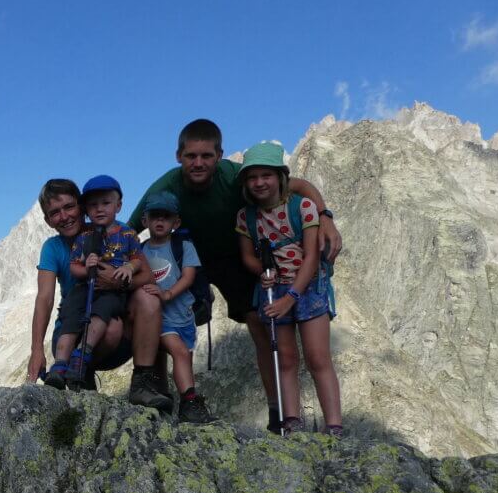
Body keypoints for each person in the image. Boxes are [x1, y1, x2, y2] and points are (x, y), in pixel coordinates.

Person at [128, 119, 342, 432]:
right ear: (178, 157)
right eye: (191, 156)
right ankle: (158, 392)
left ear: (220, 156)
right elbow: (131, 230)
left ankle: (276, 412)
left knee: (258, 321)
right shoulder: (165, 186)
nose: (198, 163)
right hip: (186, 259)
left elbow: (297, 186)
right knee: (163, 315)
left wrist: (324, 216)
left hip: (234, 259)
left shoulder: (234, 177)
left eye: (206, 156)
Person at [27, 178, 171, 409]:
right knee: (110, 328)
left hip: (113, 320)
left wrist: (117, 282)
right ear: (47, 220)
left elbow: (147, 276)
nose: (64, 217)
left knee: (146, 299)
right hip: (73, 327)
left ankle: (146, 383)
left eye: (69, 207)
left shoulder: (117, 234)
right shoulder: (53, 248)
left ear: (82, 206)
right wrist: (36, 351)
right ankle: (78, 374)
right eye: (55, 213)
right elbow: (44, 297)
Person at [236, 142, 342, 435]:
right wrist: (262, 271)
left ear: (280, 176)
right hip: (274, 290)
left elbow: (310, 256)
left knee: (318, 357)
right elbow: (247, 255)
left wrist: (291, 296)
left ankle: (334, 426)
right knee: (285, 358)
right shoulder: (246, 217)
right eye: (252, 177)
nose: (259, 183)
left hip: (307, 286)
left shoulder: (303, 207)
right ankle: (291, 422)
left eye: (266, 175)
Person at [45, 175, 147, 389]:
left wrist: (128, 269)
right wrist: (85, 266)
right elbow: (75, 265)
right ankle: (60, 365)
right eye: (93, 205)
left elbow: (139, 262)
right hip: (84, 289)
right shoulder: (85, 235)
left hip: (111, 293)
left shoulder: (127, 234)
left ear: (118, 206)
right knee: (71, 314)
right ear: (87, 209)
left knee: (103, 314)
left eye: (106, 204)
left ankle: (83, 354)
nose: (100, 210)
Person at [138, 191, 215, 423]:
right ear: (145, 221)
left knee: (182, 359)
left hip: (184, 315)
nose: (160, 221)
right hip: (159, 318)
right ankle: (190, 402)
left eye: (166, 217)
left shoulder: (184, 246)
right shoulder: (140, 251)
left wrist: (168, 293)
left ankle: (169, 401)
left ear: (176, 222)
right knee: (179, 352)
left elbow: (189, 276)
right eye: (155, 217)